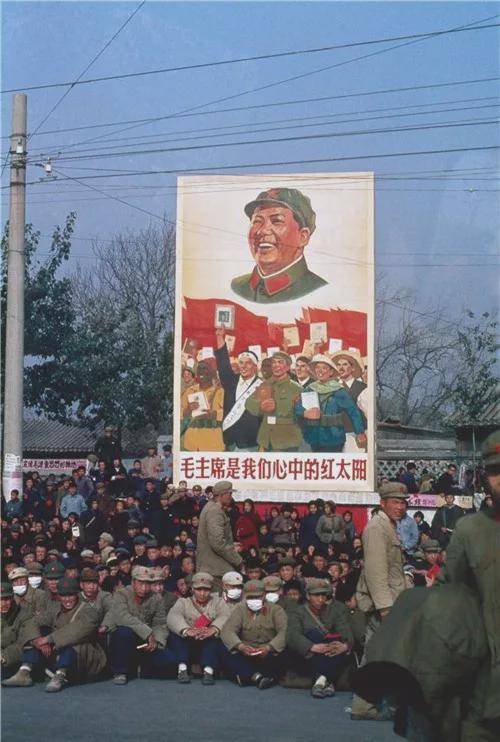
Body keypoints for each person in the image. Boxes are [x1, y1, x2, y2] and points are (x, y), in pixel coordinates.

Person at [437, 430, 500, 740]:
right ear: (485, 478)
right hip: (484, 687)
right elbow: (447, 598)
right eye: (495, 470)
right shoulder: (469, 530)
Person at [351, 481, 409, 721]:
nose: (400, 507)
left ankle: (369, 705)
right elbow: (375, 572)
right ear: (382, 503)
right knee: (380, 654)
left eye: (403, 502)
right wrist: (385, 608)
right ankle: (367, 706)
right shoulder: (377, 528)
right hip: (384, 605)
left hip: (392, 601)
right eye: (395, 502)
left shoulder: (388, 526)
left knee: (381, 653)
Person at [4, 577, 107, 692]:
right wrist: (37, 639)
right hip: (59, 653)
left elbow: (76, 630)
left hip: (84, 659)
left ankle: (60, 675)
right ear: (58, 596)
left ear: (77, 594)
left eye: (71, 595)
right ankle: (24, 671)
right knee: (38, 633)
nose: (67, 599)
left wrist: (49, 639)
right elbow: (32, 621)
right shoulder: (55, 608)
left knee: (73, 643)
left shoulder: (89, 610)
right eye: (63, 595)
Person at [231, 187, 327, 303]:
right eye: (257, 221)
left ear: (303, 237)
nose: (262, 230)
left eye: (276, 221)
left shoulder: (320, 291)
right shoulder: (236, 287)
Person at [287, 578, 353, 698]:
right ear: (308, 596)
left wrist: (345, 645)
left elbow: (345, 630)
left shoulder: (334, 611)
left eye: (323, 595)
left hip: (331, 651)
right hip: (309, 653)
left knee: (335, 645)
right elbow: (293, 634)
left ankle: (321, 680)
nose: (321, 599)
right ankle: (328, 680)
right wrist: (312, 647)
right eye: (316, 595)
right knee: (314, 634)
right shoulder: (297, 612)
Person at [109, 565, 175, 685]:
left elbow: (160, 623)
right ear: (133, 582)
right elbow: (123, 618)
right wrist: (147, 633)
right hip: (126, 640)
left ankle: (140, 668)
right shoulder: (121, 594)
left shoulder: (156, 598)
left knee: (170, 662)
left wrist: (157, 642)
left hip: (146, 642)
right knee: (123, 632)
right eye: (141, 583)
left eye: (148, 584)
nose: (144, 588)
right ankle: (120, 672)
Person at [219, 580, 288, 689]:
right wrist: (240, 646)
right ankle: (256, 677)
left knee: (284, 653)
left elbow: (284, 632)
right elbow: (228, 630)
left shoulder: (276, 610)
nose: (254, 600)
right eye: (250, 597)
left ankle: (246, 676)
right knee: (222, 646)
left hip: (268, 652)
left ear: (264, 595)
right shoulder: (240, 609)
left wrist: (269, 648)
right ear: (244, 596)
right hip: (246, 651)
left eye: (257, 597)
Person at [167, 572, 230, 685]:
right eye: (198, 589)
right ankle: (182, 668)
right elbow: (173, 616)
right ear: (192, 589)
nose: (202, 593)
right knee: (175, 635)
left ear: (211, 590)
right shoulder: (183, 602)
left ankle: (208, 670)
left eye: (206, 590)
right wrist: (186, 630)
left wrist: (214, 629)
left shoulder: (218, 602)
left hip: (207, 642)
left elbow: (225, 615)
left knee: (215, 639)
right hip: (188, 642)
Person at [295, 354, 366, 453]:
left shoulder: (339, 390)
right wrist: (305, 413)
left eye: (324, 368)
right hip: (313, 437)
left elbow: (353, 412)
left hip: (333, 438)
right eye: (317, 368)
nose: (320, 371)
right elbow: (298, 407)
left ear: (331, 372)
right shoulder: (309, 388)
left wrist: (360, 432)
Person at [214, 327, 261, 450]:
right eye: (241, 363)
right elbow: (223, 363)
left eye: (248, 363)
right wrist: (220, 337)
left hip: (250, 443)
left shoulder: (262, 385)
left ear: (255, 366)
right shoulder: (231, 381)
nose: (243, 366)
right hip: (230, 441)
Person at [246, 351, 302, 452]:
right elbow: (249, 403)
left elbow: (302, 414)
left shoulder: (296, 388)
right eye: (274, 362)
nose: (276, 365)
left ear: (288, 367)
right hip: (266, 438)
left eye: (280, 362)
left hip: (286, 440)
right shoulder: (265, 385)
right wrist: (260, 406)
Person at [196, 480, 243, 585]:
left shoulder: (211, 507)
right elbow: (218, 543)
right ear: (221, 495)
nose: (231, 497)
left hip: (211, 568)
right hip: (215, 570)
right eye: (229, 494)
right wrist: (237, 560)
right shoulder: (215, 511)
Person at [180, 360, 225, 452]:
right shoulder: (190, 391)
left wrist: (214, 414)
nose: (201, 371)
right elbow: (179, 412)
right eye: (199, 369)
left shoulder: (220, 392)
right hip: (191, 442)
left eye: (204, 368)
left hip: (212, 442)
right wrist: (188, 410)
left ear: (212, 373)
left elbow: (229, 413)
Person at [0, 582, 40, 684]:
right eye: (0, 600)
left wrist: (4, 655)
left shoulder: (24, 615)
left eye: (6, 599)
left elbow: (25, 642)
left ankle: (23, 675)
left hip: (13, 659)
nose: (3, 604)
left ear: (12, 598)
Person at [331, 350, 369, 451]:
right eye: (338, 365)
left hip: (358, 436)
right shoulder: (331, 387)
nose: (341, 368)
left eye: (345, 364)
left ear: (352, 368)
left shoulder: (363, 387)